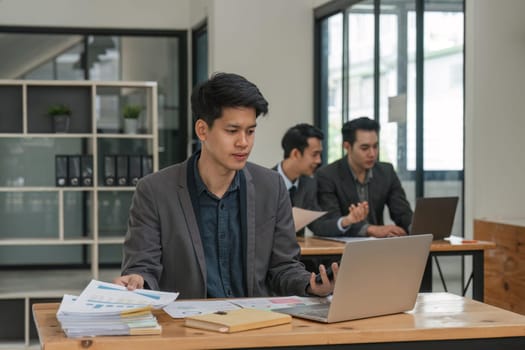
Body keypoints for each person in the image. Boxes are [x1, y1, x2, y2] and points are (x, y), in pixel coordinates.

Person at [114, 72, 336, 299]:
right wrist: (137, 279)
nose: (244, 143)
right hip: (187, 325)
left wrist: (310, 285)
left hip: (255, 323)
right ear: (202, 130)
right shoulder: (154, 191)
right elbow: (143, 266)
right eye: (232, 131)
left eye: (250, 131)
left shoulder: (271, 186)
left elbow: (284, 267)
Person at [315, 116, 412, 237]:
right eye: (364, 148)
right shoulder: (327, 175)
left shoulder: (386, 172)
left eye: (375, 146)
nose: (372, 154)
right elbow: (332, 222)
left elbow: (402, 212)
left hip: (379, 246)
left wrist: (414, 227)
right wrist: (370, 229)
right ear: (347, 147)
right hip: (344, 249)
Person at [273, 123, 367, 237]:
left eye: (320, 154)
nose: (319, 160)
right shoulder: (264, 182)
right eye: (314, 154)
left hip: (297, 252)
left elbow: (318, 226)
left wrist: (347, 220)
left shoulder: (309, 184)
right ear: (296, 154)